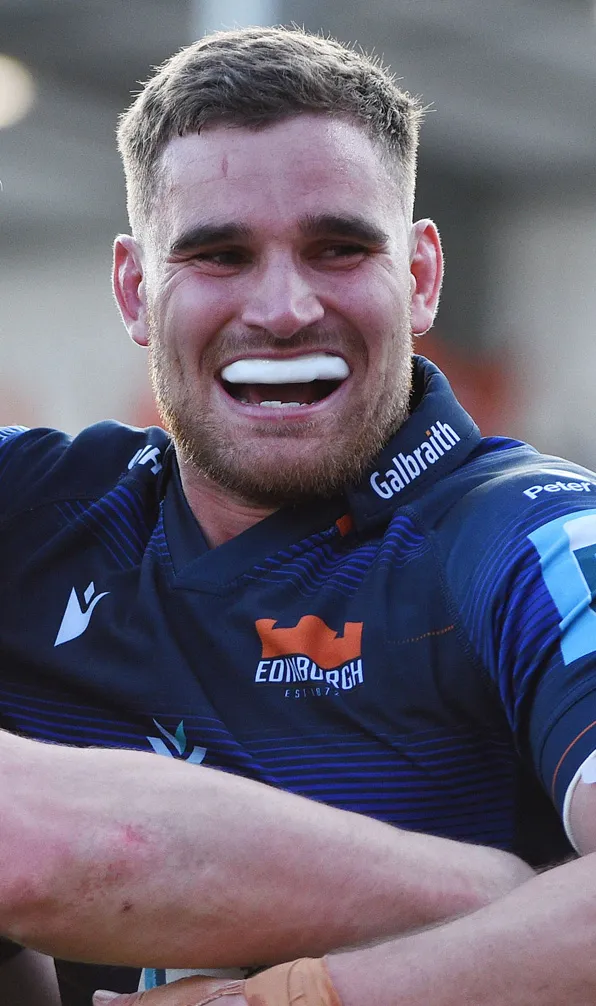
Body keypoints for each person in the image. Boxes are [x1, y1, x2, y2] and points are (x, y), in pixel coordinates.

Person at [3, 22, 596, 1006]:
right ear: (133, 289)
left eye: (336, 248)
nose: (282, 309)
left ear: (417, 276)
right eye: (219, 255)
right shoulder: (39, 516)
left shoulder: (531, 537)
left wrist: (295, 996)